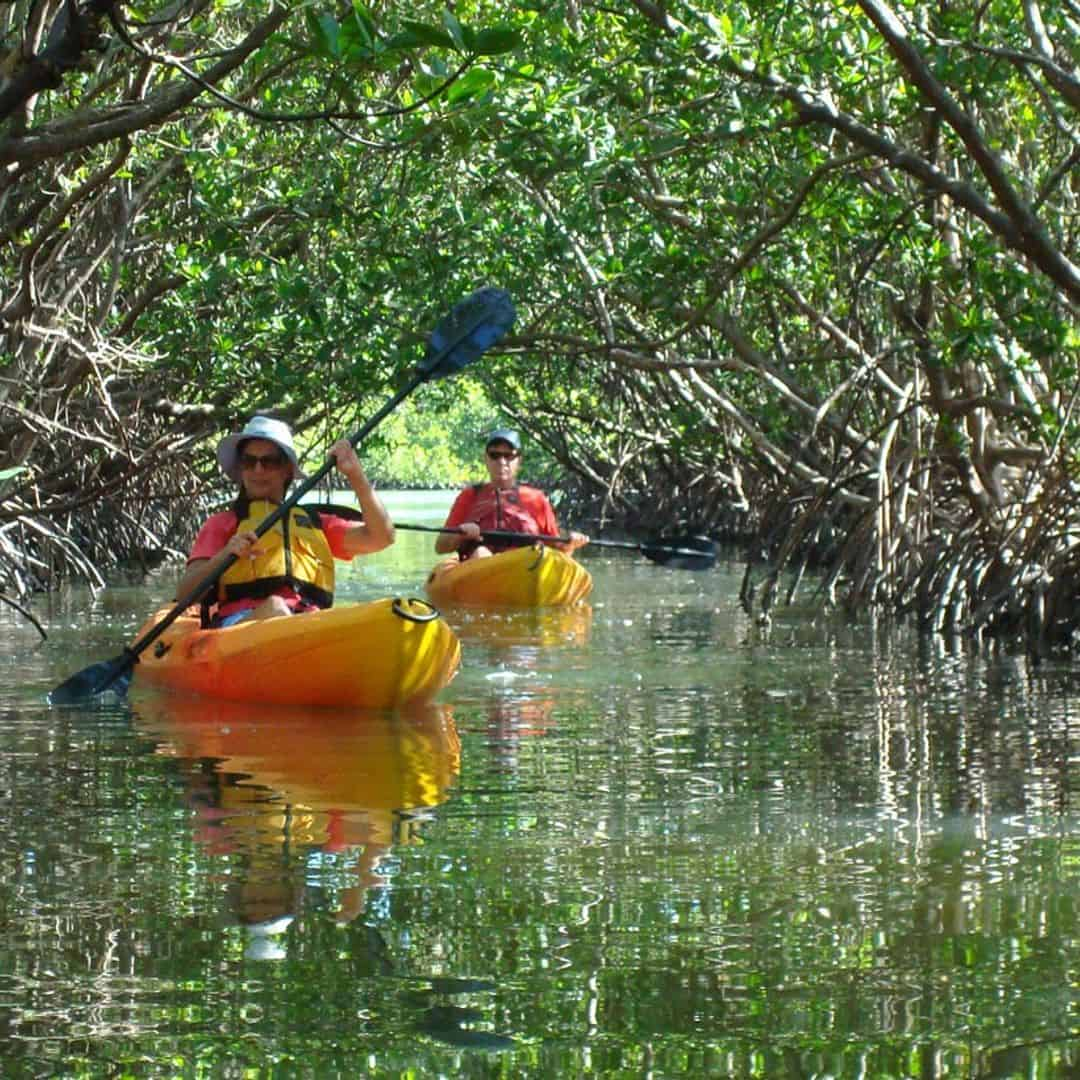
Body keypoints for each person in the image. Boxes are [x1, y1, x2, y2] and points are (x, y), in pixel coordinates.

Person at [177, 415, 395, 626]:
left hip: (308, 624)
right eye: (249, 461)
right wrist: (225, 555)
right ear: (241, 468)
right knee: (276, 608)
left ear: (287, 470)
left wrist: (355, 475)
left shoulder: (316, 523)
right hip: (240, 627)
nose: (258, 469)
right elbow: (185, 594)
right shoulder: (222, 523)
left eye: (269, 461)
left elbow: (382, 537)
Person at [434, 428, 588, 560]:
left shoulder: (536, 499)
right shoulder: (470, 496)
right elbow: (440, 546)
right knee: (480, 553)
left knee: (538, 556)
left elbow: (557, 548)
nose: (502, 461)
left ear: (519, 461)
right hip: (480, 564)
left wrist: (570, 544)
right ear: (486, 459)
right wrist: (460, 534)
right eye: (495, 455)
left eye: (508, 456)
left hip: (527, 563)